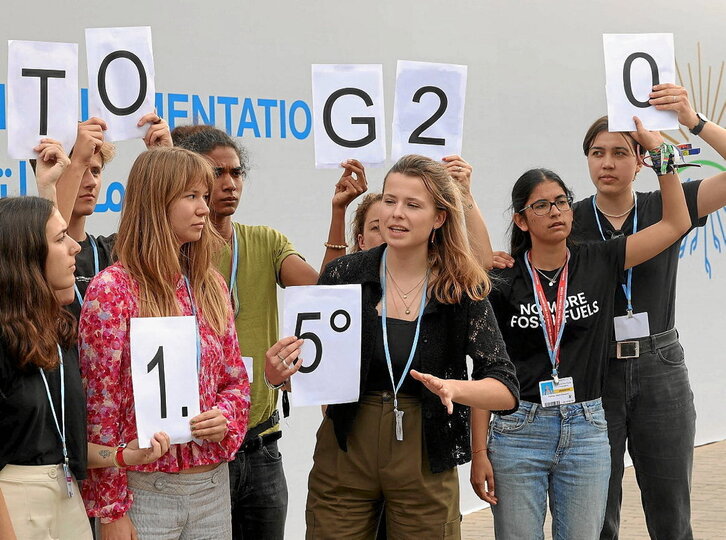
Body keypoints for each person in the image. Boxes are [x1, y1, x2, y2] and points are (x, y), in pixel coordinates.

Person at [492, 89, 726, 539]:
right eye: (597, 153)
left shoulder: (667, 203)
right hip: (594, 369)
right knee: (597, 513)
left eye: (620, 152)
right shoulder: (564, 217)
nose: (607, 162)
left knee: (671, 509)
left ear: (641, 160)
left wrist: (691, 122)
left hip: (660, 364)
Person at [267, 154, 520, 539]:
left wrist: (455, 388)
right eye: (389, 200)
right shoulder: (344, 274)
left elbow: (504, 389)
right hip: (346, 448)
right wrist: (277, 376)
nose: (396, 214)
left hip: (426, 450)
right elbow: (311, 374)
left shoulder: (459, 287)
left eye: (412, 204)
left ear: (439, 217)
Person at [0, 146, 171, 540]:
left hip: (69, 494)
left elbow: (70, 443)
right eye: (61, 240)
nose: (76, 247)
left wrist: (124, 455)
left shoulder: (57, 331)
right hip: (16, 505)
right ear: (28, 257)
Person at [79, 147, 250, 539]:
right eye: (191, 197)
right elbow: (99, 409)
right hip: (144, 491)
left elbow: (236, 381)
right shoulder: (113, 290)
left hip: (211, 487)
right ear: (157, 202)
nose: (205, 209)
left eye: (204, 197)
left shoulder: (211, 285)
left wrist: (224, 416)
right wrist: (110, 508)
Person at [176, 126, 321, 540]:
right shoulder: (177, 252)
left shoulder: (265, 241)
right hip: (202, 449)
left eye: (236, 173)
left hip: (261, 446)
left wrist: (336, 212)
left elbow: (323, 294)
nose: (229, 183)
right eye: (216, 173)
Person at [55, 113, 172, 320]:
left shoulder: (115, 251)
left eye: (96, 171)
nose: (91, 181)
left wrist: (166, 160)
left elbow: (166, 237)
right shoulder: (28, 249)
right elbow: (47, 248)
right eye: (82, 169)